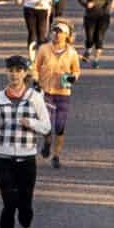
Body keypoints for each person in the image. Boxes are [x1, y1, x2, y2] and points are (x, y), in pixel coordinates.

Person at [0, 53, 53, 228]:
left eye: (18, 70)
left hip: (26, 158)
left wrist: (30, 124)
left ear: (25, 73)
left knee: (25, 206)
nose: (14, 74)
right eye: (11, 70)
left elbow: (46, 126)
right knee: (9, 203)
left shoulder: (34, 97)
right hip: (3, 157)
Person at [34, 22, 82, 168]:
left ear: (66, 35)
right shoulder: (43, 49)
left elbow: (76, 70)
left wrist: (73, 77)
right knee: (47, 124)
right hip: (46, 91)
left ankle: (56, 156)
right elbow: (35, 67)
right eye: (54, 31)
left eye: (60, 32)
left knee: (60, 126)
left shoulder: (72, 52)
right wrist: (36, 81)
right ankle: (47, 142)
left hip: (63, 92)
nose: (56, 34)